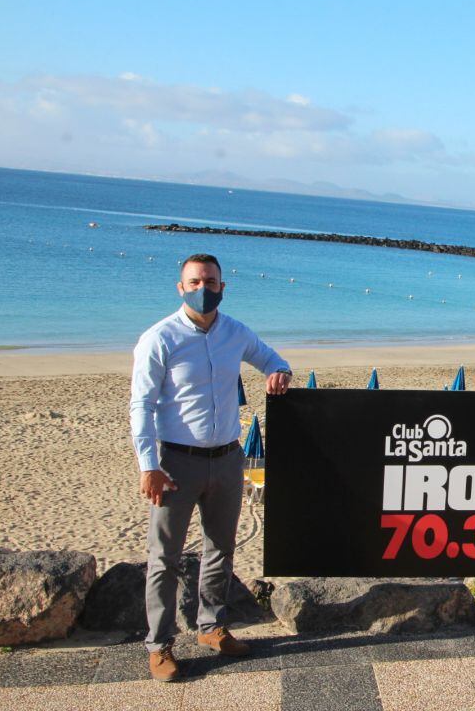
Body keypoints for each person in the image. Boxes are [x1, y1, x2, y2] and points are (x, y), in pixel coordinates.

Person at [130, 253, 292, 682]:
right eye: (195, 281)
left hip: (226, 459)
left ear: (223, 287)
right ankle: (160, 646)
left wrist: (279, 372)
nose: (204, 288)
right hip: (175, 463)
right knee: (164, 557)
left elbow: (271, 358)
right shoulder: (159, 338)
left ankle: (212, 627)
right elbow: (141, 406)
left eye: (211, 281)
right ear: (181, 287)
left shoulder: (235, 332)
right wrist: (148, 466)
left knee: (220, 549)